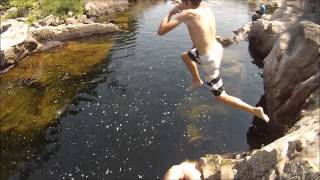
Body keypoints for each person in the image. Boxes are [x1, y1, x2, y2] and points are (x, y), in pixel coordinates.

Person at [157, 0, 270, 122]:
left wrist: (170, 13)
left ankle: (255, 110)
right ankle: (197, 80)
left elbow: (161, 31)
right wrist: (183, 5)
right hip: (216, 49)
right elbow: (194, 12)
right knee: (186, 56)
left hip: (209, 59)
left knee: (221, 97)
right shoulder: (206, 8)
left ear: (188, 3)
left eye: (183, 1)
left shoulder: (187, 14)